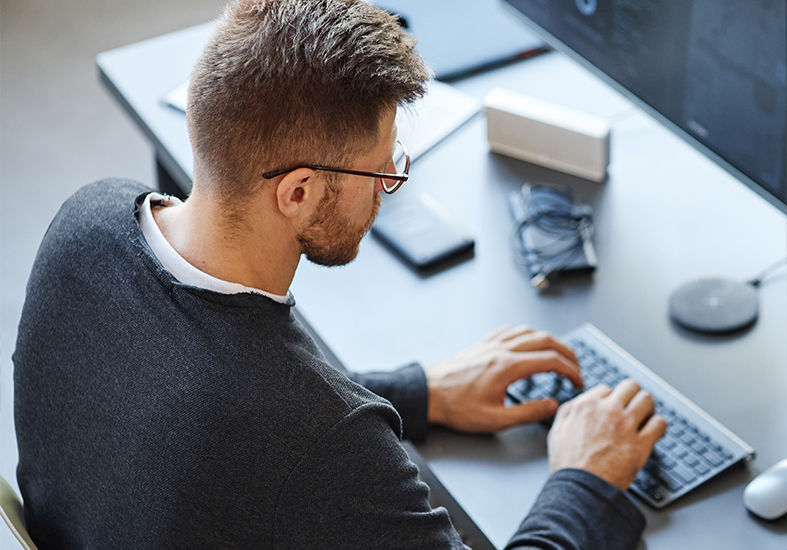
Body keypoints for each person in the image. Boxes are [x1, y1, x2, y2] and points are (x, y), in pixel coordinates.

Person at [12, 0, 666, 548]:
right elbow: (279, 424)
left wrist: (422, 393)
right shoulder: (327, 448)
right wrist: (584, 478)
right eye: (380, 170)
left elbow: (200, 389)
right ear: (296, 192)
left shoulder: (87, 224)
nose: (389, 186)